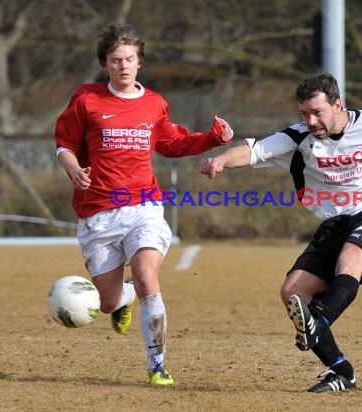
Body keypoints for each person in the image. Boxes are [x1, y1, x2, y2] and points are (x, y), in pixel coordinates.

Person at [200, 73, 362, 393]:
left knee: (349, 261)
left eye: (317, 112)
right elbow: (255, 151)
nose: (310, 120)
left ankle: (318, 323)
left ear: (338, 105)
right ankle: (341, 370)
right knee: (292, 291)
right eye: (304, 114)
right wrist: (222, 160)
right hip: (335, 224)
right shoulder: (298, 138)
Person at [54, 23, 233, 386]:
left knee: (150, 277)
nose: (123, 65)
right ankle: (123, 298)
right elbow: (65, 144)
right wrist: (74, 171)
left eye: (130, 59)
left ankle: (158, 366)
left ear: (140, 62)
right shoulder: (87, 99)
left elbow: (173, 142)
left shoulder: (154, 103)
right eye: (116, 59)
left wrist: (213, 139)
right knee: (104, 303)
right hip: (98, 214)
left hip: (143, 207)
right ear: (104, 63)